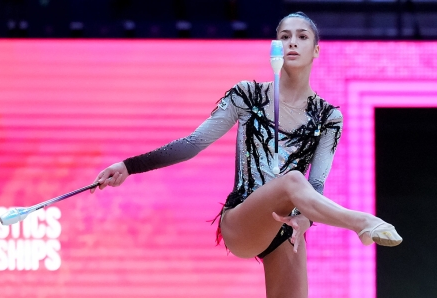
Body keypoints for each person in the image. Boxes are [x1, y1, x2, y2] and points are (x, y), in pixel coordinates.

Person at [91, 12, 402, 298]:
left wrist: (305, 220)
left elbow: (316, 184)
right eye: (284, 36)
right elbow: (193, 143)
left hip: (286, 226)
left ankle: (356, 223)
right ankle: (361, 222)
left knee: (297, 188)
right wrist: (129, 166)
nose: (292, 41)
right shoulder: (247, 94)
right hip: (242, 220)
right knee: (292, 180)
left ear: (316, 50)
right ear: (276, 48)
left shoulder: (328, 117)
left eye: (302, 36)